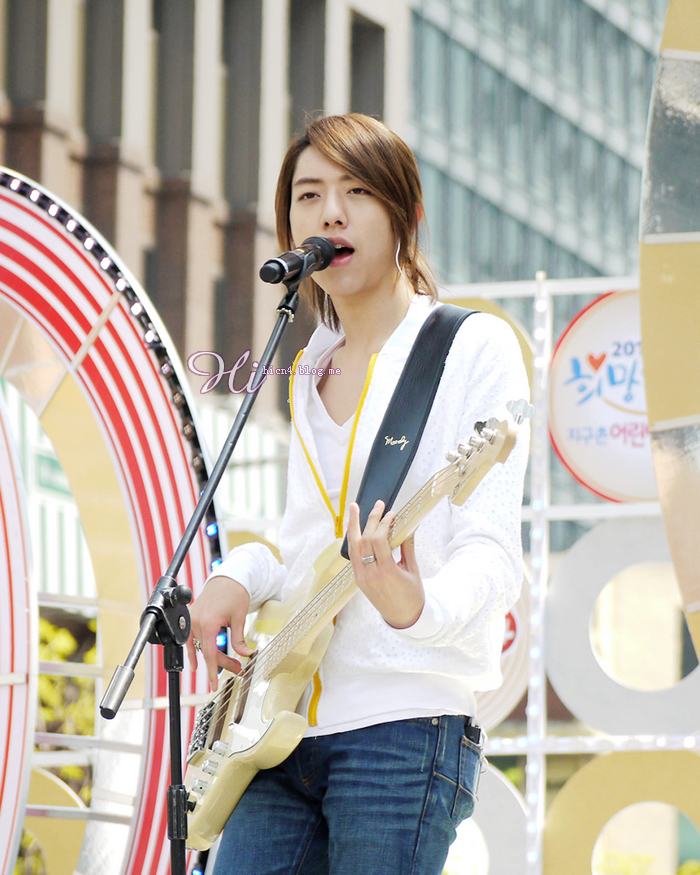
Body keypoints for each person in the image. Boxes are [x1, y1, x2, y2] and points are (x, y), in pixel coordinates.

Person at [186, 113, 529, 875]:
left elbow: (491, 548)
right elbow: (306, 546)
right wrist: (237, 574)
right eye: (309, 196)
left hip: (402, 726)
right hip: (280, 727)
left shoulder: (470, 346)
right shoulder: (311, 364)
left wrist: (416, 605)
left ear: (407, 214)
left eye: (357, 191)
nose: (330, 214)